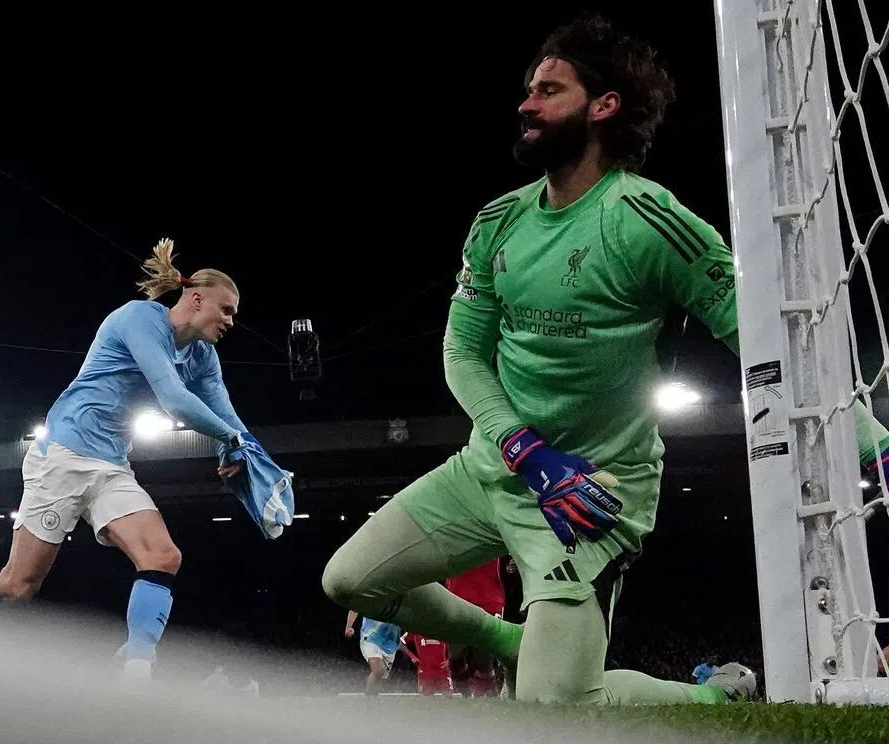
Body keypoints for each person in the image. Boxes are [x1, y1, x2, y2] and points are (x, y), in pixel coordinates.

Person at [322, 13, 889, 706]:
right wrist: (524, 449)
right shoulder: (497, 221)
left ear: (604, 106)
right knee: (349, 580)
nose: (527, 103)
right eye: (529, 89)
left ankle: (715, 698)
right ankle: (510, 640)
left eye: (549, 90)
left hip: (594, 491)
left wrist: (870, 442)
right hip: (497, 467)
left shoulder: (649, 222)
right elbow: (462, 354)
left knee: (555, 710)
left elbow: (763, 339)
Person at [0, 238, 260, 679]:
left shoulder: (203, 357)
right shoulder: (138, 319)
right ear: (196, 298)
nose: (231, 321)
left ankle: (137, 673)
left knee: (163, 556)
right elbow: (175, 401)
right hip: (63, 457)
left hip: (112, 467)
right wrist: (229, 439)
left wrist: (246, 452)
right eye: (226, 310)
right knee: (18, 586)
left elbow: (227, 414)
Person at [445, 559, 504, 697]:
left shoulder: (502, 537)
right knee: (455, 659)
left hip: (489, 600)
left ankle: (483, 701)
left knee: (484, 661)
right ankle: (465, 697)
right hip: (456, 599)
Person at [344, 611, 401, 696]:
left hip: (391, 644)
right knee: (379, 670)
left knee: (379, 678)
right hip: (371, 637)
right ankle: (369, 702)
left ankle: (371, 701)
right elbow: (355, 608)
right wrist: (348, 626)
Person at [401, 630, 452, 696]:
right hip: (425, 672)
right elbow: (400, 642)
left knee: (448, 697)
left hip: (443, 671)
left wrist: (450, 659)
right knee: (426, 699)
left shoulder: (444, 629)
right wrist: (412, 656)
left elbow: (458, 644)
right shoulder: (415, 630)